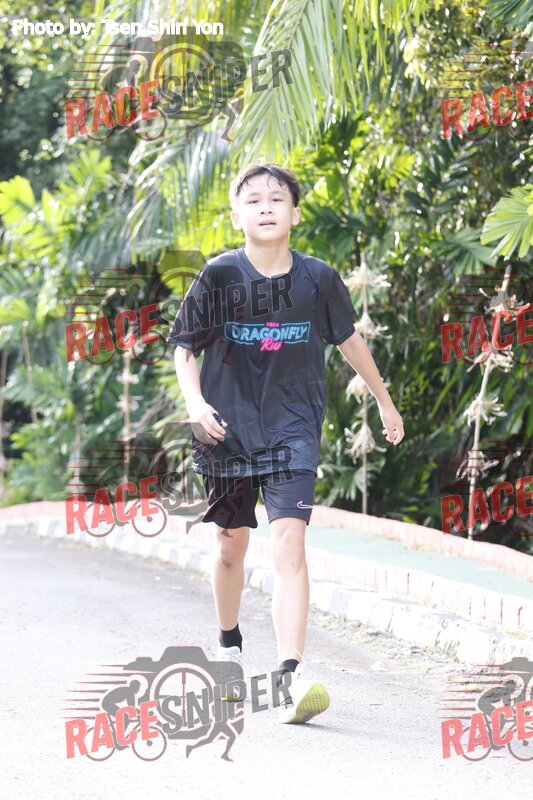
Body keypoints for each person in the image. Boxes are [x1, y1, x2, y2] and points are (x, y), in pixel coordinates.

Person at [168, 162, 404, 724]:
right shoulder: (218, 277)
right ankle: (229, 644)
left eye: (277, 199)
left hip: (293, 428)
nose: (266, 207)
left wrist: (384, 400)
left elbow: (349, 341)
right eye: (253, 200)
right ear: (237, 216)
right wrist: (195, 404)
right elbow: (185, 349)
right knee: (230, 545)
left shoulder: (317, 279)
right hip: (225, 431)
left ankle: (289, 675)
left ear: (295, 213)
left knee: (290, 546)